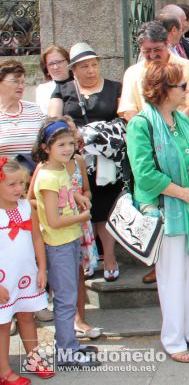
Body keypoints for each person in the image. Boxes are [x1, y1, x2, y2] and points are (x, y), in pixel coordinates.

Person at [126, 62, 189, 364]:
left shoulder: (180, 120)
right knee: (172, 278)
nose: (186, 90)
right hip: (167, 213)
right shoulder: (141, 124)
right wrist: (184, 193)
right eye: (181, 86)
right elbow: (144, 174)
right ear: (163, 91)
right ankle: (174, 338)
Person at [48, 42, 123, 282]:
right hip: (75, 162)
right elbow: (53, 122)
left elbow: (124, 122)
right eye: (84, 66)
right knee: (78, 209)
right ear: (74, 70)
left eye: (94, 65)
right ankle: (87, 259)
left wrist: (89, 134)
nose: (91, 71)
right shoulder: (64, 90)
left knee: (105, 211)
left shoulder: (114, 88)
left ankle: (109, 258)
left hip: (106, 164)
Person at [32, 118, 100, 368]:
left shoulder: (60, 170)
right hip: (58, 244)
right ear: (45, 147)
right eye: (61, 144)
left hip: (71, 240)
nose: (68, 149)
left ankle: (70, 344)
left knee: (68, 297)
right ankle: (67, 352)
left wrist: (78, 196)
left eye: (71, 143)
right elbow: (52, 219)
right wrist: (82, 216)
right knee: (65, 299)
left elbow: (67, 194)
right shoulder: (47, 176)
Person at [0, 159, 54, 384]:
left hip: (25, 274)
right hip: (3, 278)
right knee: (2, 323)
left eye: (21, 183)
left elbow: (36, 238)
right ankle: (4, 370)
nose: (19, 189)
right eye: (12, 184)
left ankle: (33, 359)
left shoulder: (26, 207)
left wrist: (42, 268)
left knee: (27, 316)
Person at [0, 60, 45, 159]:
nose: (21, 86)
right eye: (15, 81)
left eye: (23, 82)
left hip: (34, 172)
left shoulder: (35, 110)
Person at [36, 45, 72, 114]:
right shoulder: (42, 90)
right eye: (51, 64)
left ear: (68, 62)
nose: (55, 67)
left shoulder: (78, 84)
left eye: (59, 62)